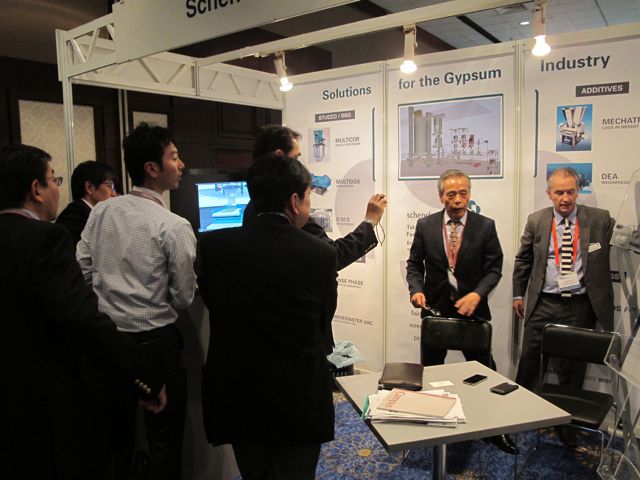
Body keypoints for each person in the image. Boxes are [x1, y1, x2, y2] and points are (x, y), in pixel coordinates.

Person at [0, 144, 165, 480]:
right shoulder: (46, 239)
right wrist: (143, 376)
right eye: (54, 179)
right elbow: (83, 320)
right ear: (36, 190)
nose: (57, 188)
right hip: (44, 405)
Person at [198, 153, 338, 480]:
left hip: (238, 393)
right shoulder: (320, 253)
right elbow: (323, 320)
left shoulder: (214, 247)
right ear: (294, 201)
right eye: (308, 197)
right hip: (297, 397)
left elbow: (213, 302)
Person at [77, 123, 197, 479]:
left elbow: (82, 269)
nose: (182, 164)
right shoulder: (174, 225)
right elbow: (183, 297)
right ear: (151, 168)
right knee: (164, 444)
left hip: (108, 343)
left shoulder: (101, 211)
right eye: (174, 157)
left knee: (115, 441)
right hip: (156, 346)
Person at [406, 169, 517, 455]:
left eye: (463, 193)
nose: (457, 199)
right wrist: (416, 289)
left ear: (469, 194)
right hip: (435, 312)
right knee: (432, 372)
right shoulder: (426, 226)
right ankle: (433, 424)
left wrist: (477, 294)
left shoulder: (485, 226)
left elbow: (494, 269)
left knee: (485, 373)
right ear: (441, 196)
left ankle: (495, 429)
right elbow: (414, 264)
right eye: (451, 194)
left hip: (473, 313)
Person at [513, 167, 614, 446]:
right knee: (530, 363)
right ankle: (521, 416)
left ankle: (566, 423)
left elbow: (620, 240)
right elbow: (523, 260)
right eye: (559, 192)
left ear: (578, 191)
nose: (565, 198)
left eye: (570, 191)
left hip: (579, 306)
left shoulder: (600, 219)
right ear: (549, 194)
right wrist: (518, 295)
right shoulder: (537, 220)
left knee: (573, 370)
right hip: (543, 303)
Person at [244, 124, 387, 271]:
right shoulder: (290, 213)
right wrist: (370, 221)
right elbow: (333, 256)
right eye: (296, 158)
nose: (299, 166)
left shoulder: (253, 209)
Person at [55, 160, 117, 246]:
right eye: (110, 186)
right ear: (90, 187)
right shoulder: (75, 217)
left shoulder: (90, 214)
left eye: (114, 188)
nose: (114, 194)